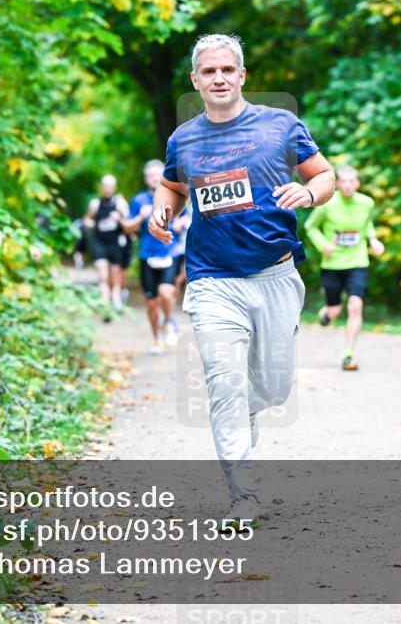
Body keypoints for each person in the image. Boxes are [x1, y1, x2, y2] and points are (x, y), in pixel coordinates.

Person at [147, 33, 335, 528]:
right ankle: (242, 493)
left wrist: (309, 194)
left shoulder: (281, 125)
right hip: (213, 279)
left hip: (274, 275)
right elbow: (172, 185)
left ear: (242, 75)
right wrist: (162, 211)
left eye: (227, 70)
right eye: (208, 72)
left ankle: (249, 406)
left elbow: (326, 177)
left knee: (271, 389)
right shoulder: (183, 138)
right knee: (223, 381)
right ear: (196, 80)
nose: (219, 78)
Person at [304, 165, 385, 371]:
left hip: (358, 262)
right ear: (338, 184)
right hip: (332, 264)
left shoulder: (366, 203)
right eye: (344, 182)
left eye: (352, 181)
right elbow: (310, 227)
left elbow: (366, 224)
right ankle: (327, 314)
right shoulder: (328, 204)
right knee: (334, 310)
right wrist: (324, 245)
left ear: (357, 183)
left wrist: (373, 239)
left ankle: (349, 353)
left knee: (355, 305)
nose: (348, 185)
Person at [125, 160, 182, 354]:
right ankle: (156, 339)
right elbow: (127, 227)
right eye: (150, 175)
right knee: (151, 303)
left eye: (158, 174)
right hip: (147, 255)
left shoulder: (173, 196)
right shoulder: (138, 200)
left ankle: (168, 320)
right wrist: (141, 217)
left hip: (169, 253)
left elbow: (188, 216)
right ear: (145, 178)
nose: (154, 178)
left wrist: (181, 223)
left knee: (166, 293)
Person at [84, 174, 128, 314]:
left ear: (114, 187)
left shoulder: (120, 203)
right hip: (100, 243)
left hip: (115, 243)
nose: (107, 188)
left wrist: (119, 218)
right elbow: (87, 219)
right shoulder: (95, 204)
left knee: (115, 276)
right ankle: (105, 303)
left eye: (110, 185)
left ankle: (115, 297)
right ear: (101, 187)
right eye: (105, 185)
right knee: (103, 275)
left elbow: (128, 223)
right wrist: (90, 223)